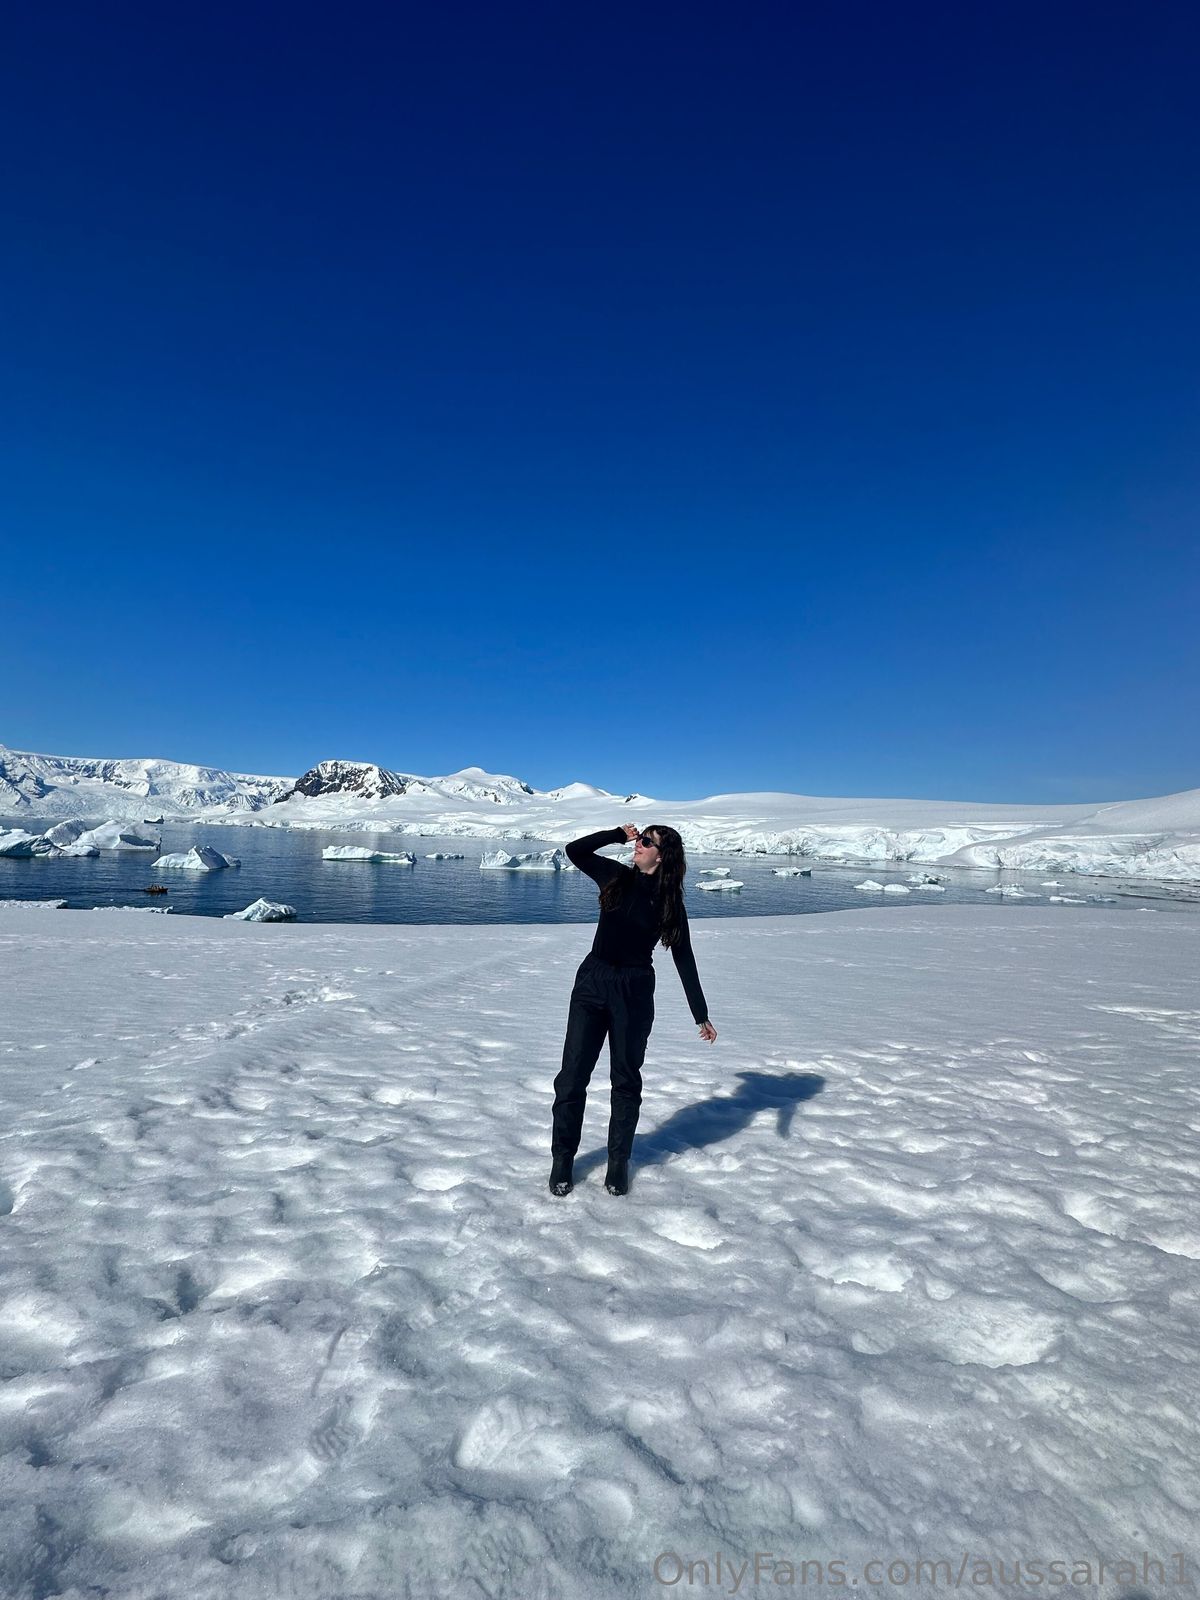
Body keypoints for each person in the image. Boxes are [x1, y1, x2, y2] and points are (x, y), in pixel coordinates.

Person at [549, 822, 718, 1198]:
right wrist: (615, 835)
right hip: (592, 983)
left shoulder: (669, 903)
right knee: (572, 1077)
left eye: (646, 842)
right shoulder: (615, 877)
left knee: (625, 1081)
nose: (638, 845)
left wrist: (700, 1013)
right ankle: (562, 1159)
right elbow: (575, 851)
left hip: (634, 991)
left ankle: (618, 1163)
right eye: (639, 839)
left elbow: (684, 957)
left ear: (663, 855)